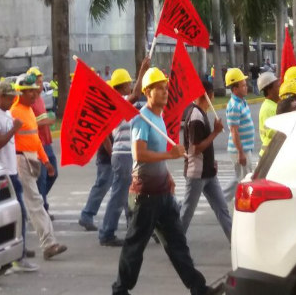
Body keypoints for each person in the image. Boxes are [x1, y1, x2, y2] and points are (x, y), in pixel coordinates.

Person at [111, 67, 223, 295]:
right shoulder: (142, 119)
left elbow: (154, 156)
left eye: (165, 88)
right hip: (145, 195)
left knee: (177, 244)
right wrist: (169, 155)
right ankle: (120, 290)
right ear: (147, 92)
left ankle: (198, 288)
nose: (164, 92)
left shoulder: (158, 118)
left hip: (162, 193)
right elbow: (138, 154)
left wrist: (167, 174)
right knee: (135, 246)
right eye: (159, 89)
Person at [10, 73, 67, 260]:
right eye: (29, 92)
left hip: (31, 159)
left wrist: (46, 161)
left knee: (30, 204)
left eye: (34, 91)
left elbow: (35, 139)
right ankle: (49, 243)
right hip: (21, 160)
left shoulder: (28, 111)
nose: (34, 95)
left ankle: (19, 245)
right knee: (35, 202)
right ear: (20, 93)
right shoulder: (14, 112)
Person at [0, 80, 38, 272]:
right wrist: (14, 129)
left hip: (11, 171)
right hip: (1, 173)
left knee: (16, 215)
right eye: (9, 98)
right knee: (12, 216)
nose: (12, 101)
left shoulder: (6, 113)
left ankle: (16, 252)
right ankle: (15, 256)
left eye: (13, 97)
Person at [98, 58, 149, 246]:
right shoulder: (119, 101)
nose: (130, 86)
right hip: (124, 154)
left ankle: (133, 226)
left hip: (125, 154)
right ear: (123, 86)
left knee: (129, 193)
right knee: (119, 195)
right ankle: (106, 233)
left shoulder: (119, 102)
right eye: (128, 83)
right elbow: (136, 94)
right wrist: (143, 69)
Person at [179, 81, 231, 242]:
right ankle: (176, 243)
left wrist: (211, 161)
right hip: (196, 173)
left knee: (222, 208)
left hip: (208, 172)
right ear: (209, 95)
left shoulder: (201, 113)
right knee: (187, 211)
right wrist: (215, 132)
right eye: (212, 93)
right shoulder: (195, 116)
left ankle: (234, 241)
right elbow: (195, 148)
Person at [27, 67, 58, 217]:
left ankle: (37, 202)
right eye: (38, 82)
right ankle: (42, 208)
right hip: (37, 145)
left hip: (47, 142)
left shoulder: (39, 98)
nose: (41, 85)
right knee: (42, 178)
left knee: (53, 174)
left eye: (41, 81)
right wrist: (47, 120)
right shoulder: (29, 101)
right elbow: (30, 122)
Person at [222, 68, 255, 201]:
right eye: (243, 85)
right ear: (235, 89)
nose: (246, 87)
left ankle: (223, 200)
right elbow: (234, 131)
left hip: (245, 148)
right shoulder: (235, 106)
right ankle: (229, 202)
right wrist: (240, 152)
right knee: (244, 180)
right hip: (240, 150)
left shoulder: (241, 102)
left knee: (240, 179)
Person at [78, 134, 114, 231]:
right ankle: (86, 215)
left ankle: (131, 218)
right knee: (102, 187)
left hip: (119, 157)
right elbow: (104, 136)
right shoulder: (110, 119)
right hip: (108, 159)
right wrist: (112, 154)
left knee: (123, 190)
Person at [257, 72, 280, 157]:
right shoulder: (268, 108)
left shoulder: (273, 105)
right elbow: (275, 133)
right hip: (269, 155)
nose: (280, 89)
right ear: (269, 90)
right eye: (277, 86)